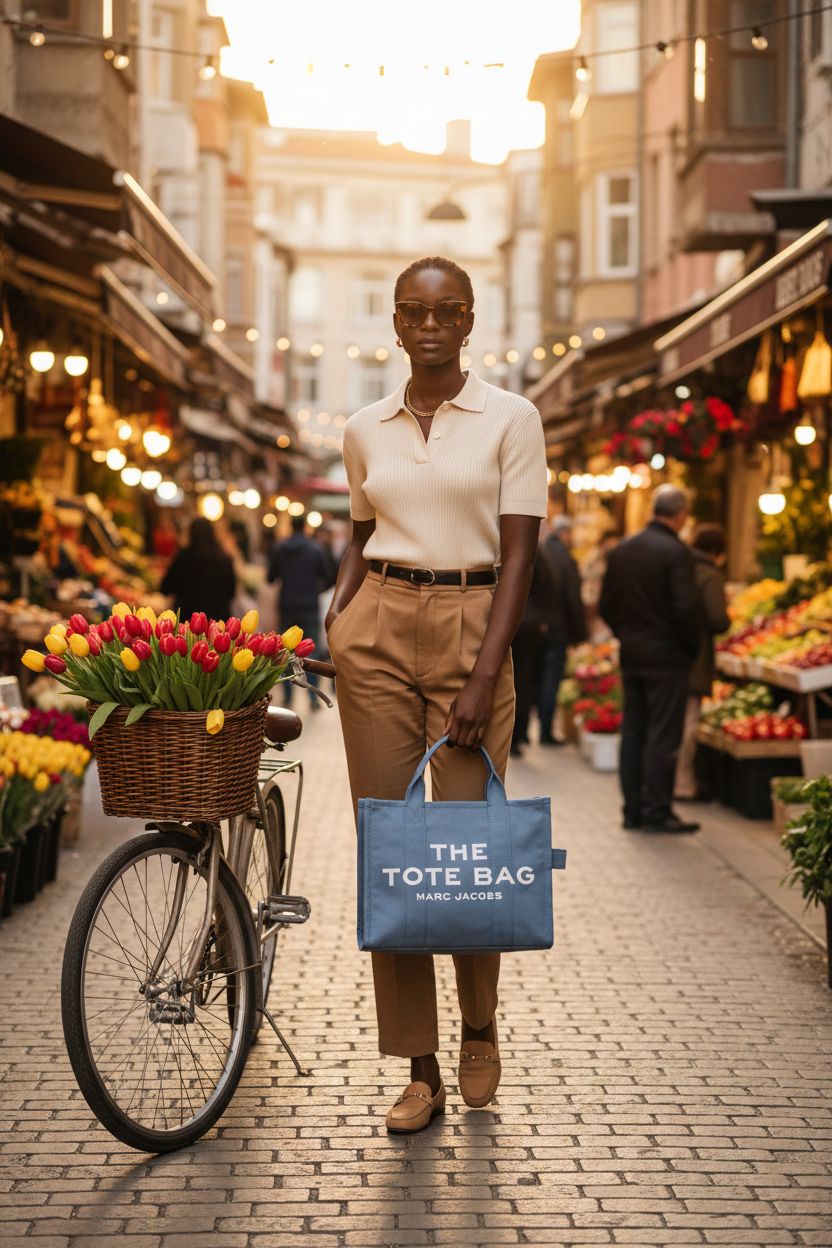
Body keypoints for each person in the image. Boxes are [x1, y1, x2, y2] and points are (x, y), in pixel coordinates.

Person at [326, 255, 547, 1134]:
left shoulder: (511, 418)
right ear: (393, 318)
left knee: (466, 847)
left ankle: (480, 1026)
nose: (429, 323)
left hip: (472, 623)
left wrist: (486, 672)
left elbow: (522, 556)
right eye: (414, 310)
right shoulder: (363, 427)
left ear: (468, 320)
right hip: (376, 626)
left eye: (446, 310)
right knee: (393, 851)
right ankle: (419, 1067)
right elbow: (359, 532)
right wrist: (341, 618)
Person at [599, 484, 700, 834]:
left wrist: (627, 634)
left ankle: (632, 809)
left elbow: (605, 605)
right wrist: (690, 647)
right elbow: (686, 610)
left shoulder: (623, 550)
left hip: (633, 652)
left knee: (635, 730)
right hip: (668, 656)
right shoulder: (676, 552)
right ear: (681, 514)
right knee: (662, 733)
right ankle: (657, 809)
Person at [675, 523, 730, 801]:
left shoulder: (678, 565)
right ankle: (682, 783)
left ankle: (666, 782)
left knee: (671, 722)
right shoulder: (710, 574)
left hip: (671, 656)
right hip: (695, 657)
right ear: (717, 551)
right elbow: (718, 619)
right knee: (688, 722)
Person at [268, 514, 335, 708]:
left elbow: (271, 577)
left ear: (290, 526)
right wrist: (315, 590)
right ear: (305, 526)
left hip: (287, 604)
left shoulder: (280, 548)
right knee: (310, 651)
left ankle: (288, 696)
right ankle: (313, 698)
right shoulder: (315, 549)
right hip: (309, 605)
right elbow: (329, 575)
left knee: (284, 652)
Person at [538, 515, 587, 744]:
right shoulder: (565, 559)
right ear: (564, 533)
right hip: (558, 627)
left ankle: (525, 733)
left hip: (541, 626)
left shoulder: (543, 552)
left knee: (536, 677)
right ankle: (546, 730)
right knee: (551, 678)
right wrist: (579, 633)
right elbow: (572, 598)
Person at [510, 543, 558, 756]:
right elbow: (549, 585)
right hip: (527, 622)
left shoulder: (523, 547)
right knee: (522, 679)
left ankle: (516, 734)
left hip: (517, 622)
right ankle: (518, 735)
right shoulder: (533, 548)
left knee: (517, 679)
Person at [160, 515, 236, 622]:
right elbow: (231, 593)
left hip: (187, 620)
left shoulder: (183, 557)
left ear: (191, 533)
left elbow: (165, 588)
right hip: (218, 621)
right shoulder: (225, 559)